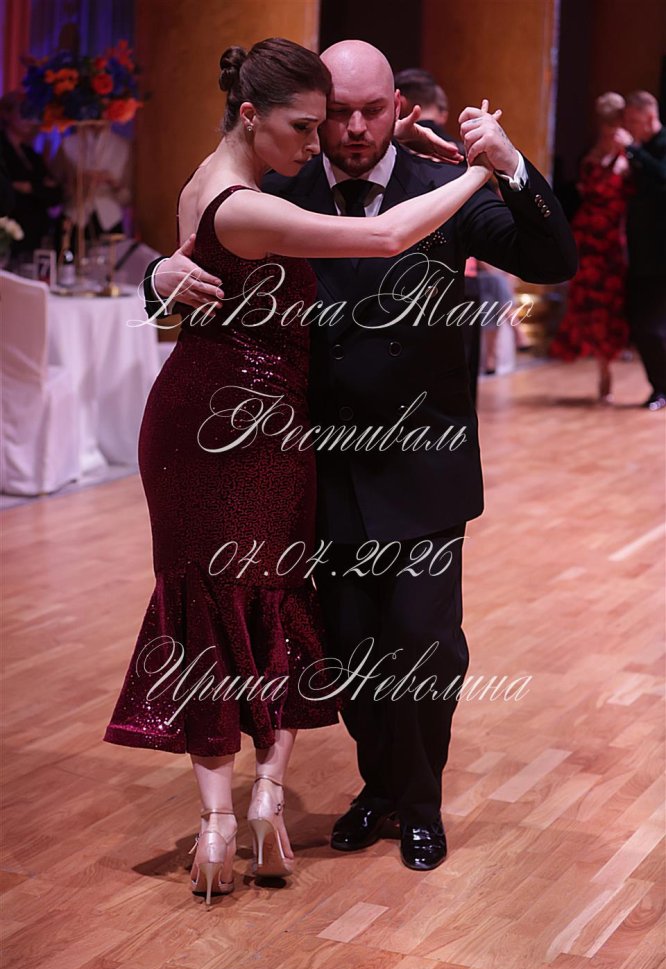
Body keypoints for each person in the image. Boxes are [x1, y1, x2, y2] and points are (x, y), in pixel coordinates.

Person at [146, 38, 576, 876]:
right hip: (311, 463)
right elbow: (206, 259)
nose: (349, 129)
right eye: (334, 113)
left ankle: (419, 800)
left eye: (370, 111)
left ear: (398, 108)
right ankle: (378, 786)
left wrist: (507, 163)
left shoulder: (434, 184)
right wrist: (158, 277)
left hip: (419, 459)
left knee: (422, 643)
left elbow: (552, 259)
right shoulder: (280, 181)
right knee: (342, 649)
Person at [549, 92, 634, 402]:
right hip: (587, 237)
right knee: (586, 301)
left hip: (611, 240)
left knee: (609, 304)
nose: (609, 128)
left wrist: (628, 154)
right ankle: (600, 363)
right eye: (605, 122)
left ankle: (605, 367)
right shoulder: (594, 153)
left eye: (614, 121)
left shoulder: (628, 154)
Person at [622, 90, 666, 411]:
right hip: (640, 253)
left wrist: (633, 151)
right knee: (641, 326)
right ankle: (659, 388)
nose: (630, 128)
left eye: (634, 121)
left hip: (662, 254)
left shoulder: (658, 147)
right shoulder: (639, 151)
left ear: (649, 117)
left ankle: (661, 389)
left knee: (653, 327)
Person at [0, 90, 62, 260]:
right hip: (10, 235)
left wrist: (29, 187)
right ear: (7, 114)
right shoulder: (3, 148)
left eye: (32, 113)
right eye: (23, 112)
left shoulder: (31, 154)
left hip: (36, 233)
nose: (29, 118)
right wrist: (39, 187)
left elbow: (56, 194)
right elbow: (6, 195)